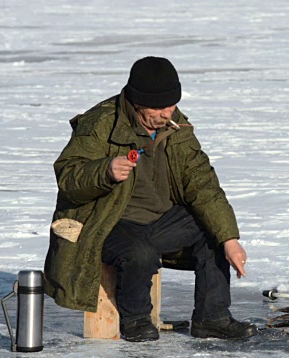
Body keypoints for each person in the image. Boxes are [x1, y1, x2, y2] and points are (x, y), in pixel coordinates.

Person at [43, 56, 257, 342]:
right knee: (138, 251)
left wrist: (229, 238)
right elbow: (68, 177)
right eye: (158, 107)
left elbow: (203, 184)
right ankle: (136, 319)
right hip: (107, 223)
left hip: (160, 223)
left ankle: (212, 317)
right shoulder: (100, 123)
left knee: (212, 230)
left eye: (171, 105)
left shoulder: (175, 126)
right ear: (137, 102)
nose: (166, 113)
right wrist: (104, 171)